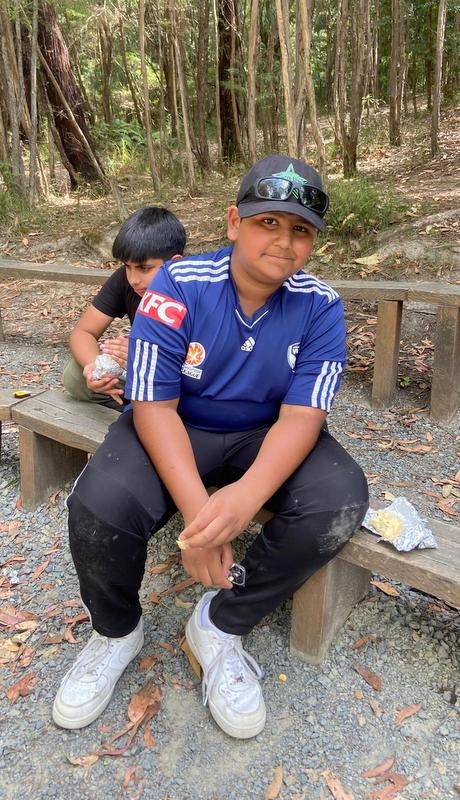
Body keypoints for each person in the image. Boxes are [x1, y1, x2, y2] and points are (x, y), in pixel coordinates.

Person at [53, 155, 369, 739]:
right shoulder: (177, 285)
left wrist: (244, 499)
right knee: (99, 506)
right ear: (233, 222)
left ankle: (221, 623)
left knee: (339, 498)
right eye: (268, 222)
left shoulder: (320, 305)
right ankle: (115, 632)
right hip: (178, 422)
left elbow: (303, 415)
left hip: (264, 431)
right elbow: (153, 406)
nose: (284, 242)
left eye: (300, 230)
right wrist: (202, 520)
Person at [62, 205, 186, 409]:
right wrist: (95, 369)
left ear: (175, 264)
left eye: (144, 268)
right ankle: (140, 409)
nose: (133, 279)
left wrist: (145, 355)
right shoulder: (125, 280)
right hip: (140, 374)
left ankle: (154, 414)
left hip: (183, 381)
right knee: (75, 375)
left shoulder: (195, 289)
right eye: (127, 266)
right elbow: (83, 332)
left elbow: (209, 361)